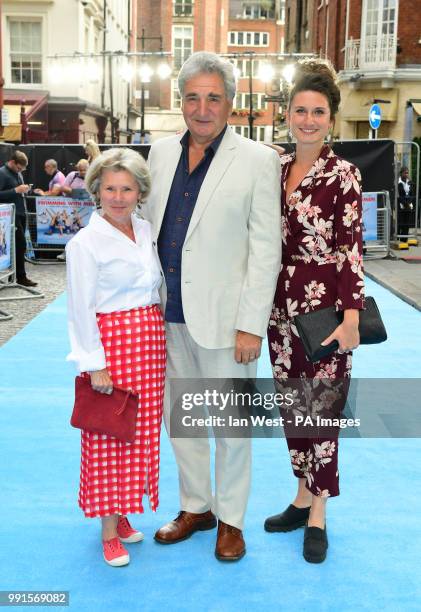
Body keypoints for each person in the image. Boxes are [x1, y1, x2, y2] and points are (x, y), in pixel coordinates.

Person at [144, 51, 281, 561]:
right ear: (181, 101)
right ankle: (196, 507)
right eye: (193, 97)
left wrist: (251, 325)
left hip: (227, 324)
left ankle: (231, 519)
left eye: (214, 98)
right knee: (181, 421)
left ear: (231, 102)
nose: (202, 109)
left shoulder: (257, 160)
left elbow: (266, 250)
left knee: (230, 425)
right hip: (166, 314)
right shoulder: (158, 154)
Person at [265, 59, 365, 563]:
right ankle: (301, 497)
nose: (307, 119)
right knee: (292, 405)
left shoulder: (344, 174)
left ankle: (319, 511)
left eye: (318, 112)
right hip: (278, 309)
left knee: (322, 409)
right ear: (287, 114)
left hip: (327, 309)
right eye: (300, 110)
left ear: (332, 118)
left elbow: (351, 249)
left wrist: (352, 317)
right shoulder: (275, 167)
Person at [66, 147, 166, 567]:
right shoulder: (84, 243)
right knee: (108, 437)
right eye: (110, 188)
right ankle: (108, 532)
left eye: (127, 188)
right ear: (97, 191)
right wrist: (95, 364)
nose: (119, 197)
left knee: (140, 435)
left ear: (139, 191)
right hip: (112, 347)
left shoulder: (145, 231)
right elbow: (80, 307)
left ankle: (123, 511)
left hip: (150, 345)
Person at [0, 150, 37, 287]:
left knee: (19, 246)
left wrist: (25, 190)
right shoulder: (2, 173)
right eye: (19, 168)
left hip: (20, 213)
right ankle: (20, 276)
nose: (20, 171)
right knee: (19, 244)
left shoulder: (17, 173)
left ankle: (15, 275)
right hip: (9, 216)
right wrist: (16, 191)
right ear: (13, 162)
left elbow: (17, 191)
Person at [397, 166, 415, 240]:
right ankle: (399, 238)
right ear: (401, 173)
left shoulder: (410, 182)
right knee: (401, 223)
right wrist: (405, 204)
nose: (406, 174)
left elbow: (412, 194)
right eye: (405, 173)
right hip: (401, 205)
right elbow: (399, 195)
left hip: (408, 205)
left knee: (407, 223)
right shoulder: (398, 183)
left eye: (407, 173)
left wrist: (409, 203)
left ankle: (405, 240)